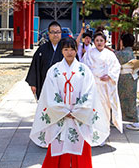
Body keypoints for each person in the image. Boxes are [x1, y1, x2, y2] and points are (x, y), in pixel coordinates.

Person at [30, 37, 109, 168]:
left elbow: (89, 93)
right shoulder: (54, 71)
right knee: (58, 146)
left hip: (79, 117)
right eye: (66, 49)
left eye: (72, 49)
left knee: (80, 145)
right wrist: (63, 111)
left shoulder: (84, 70)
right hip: (60, 116)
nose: (69, 52)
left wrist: (77, 111)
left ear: (76, 50)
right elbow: (49, 93)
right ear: (62, 51)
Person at [82, 31, 123, 138]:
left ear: (105, 42)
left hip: (105, 86)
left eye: (101, 40)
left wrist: (109, 76)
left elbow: (116, 67)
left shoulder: (110, 54)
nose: (99, 43)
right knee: (93, 109)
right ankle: (93, 133)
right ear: (94, 42)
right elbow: (84, 68)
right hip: (93, 86)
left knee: (105, 109)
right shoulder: (89, 53)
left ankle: (104, 133)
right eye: (97, 40)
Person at [26, 21, 64, 99]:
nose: (55, 35)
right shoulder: (42, 49)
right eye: (52, 32)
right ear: (48, 34)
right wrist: (33, 84)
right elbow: (35, 66)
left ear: (61, 33)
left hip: (63, 86)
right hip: (45, 84)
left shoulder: (66, 48)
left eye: (58, 32)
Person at [115, 33, 139, 131]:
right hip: (132, 77)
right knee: (131, 99)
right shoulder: (131, 53)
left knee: (118, 98)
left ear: (122, 42)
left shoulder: (120, 54)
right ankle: (134, 120)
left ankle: (119, 119)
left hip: (123, 78)